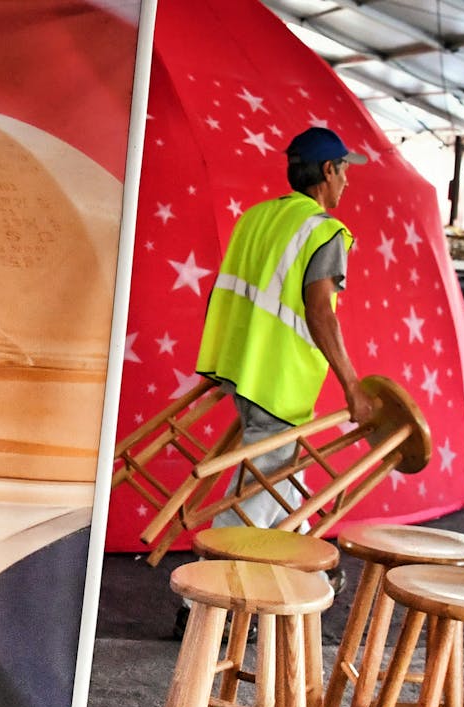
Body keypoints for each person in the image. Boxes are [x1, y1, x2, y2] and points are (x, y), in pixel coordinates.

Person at [175, 127, 373, 636]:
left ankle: (307, 565)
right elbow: (319, 311)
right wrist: (352, 385)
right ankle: (206, 604)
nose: (348, 180)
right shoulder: (322, 230)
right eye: (344, 169)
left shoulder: (258, 217)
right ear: (328, 171)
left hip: (239, 364)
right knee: (260, 490)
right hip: (278, 376)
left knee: (285, 473)